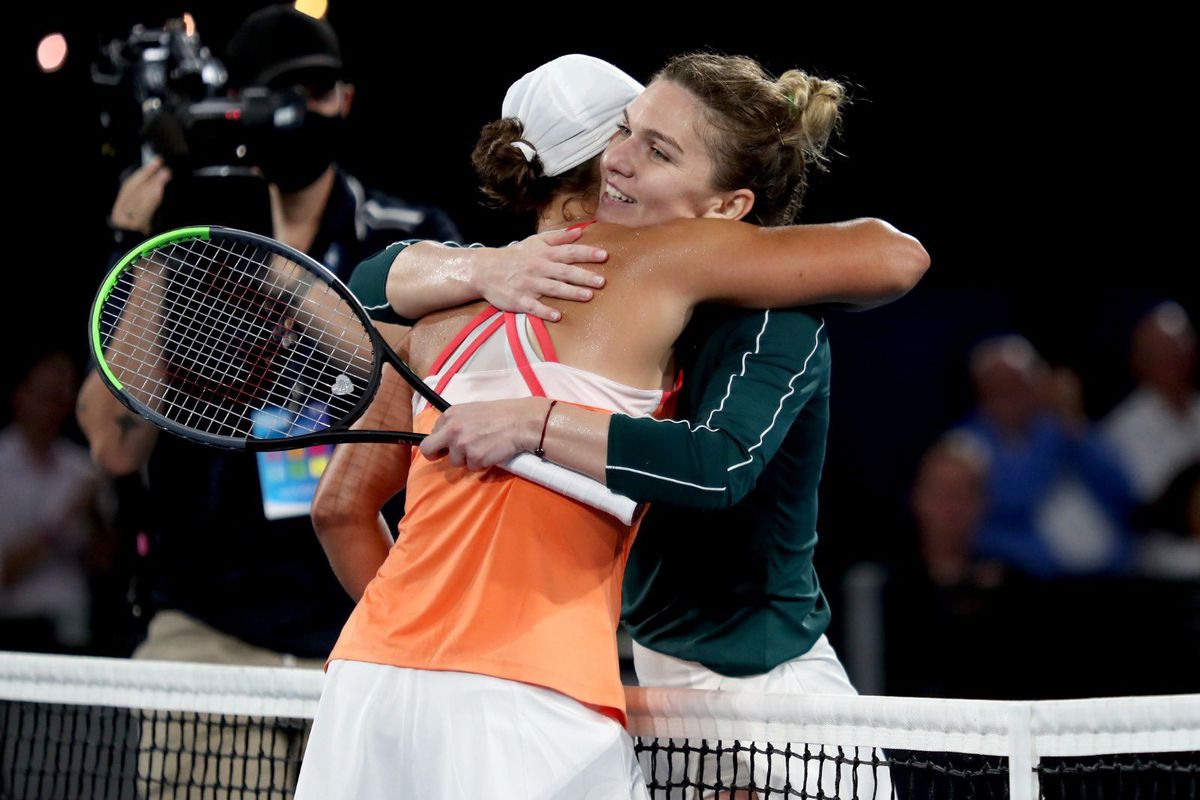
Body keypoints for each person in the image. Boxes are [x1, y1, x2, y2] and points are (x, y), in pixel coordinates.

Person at [302, 54, 926, 798]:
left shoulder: (447, 308)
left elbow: (717, 465)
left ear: (728, 207)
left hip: (752, 684)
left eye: (655, 149)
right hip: (567, 685)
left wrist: (530, 417)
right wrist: (487, 272)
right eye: (622, 132)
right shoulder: (528, 277)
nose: (618, 160)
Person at [75, 6, 460, 798]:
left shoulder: (408, 238)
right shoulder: (180, 245)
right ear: (234, 106)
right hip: (209, 633)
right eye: (275, 94)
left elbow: (437, 387)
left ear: (345, 99)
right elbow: (114, 446)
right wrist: (146, 252)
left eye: (315, 91)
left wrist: (279, 269)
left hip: (370, 627)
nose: (297, 112)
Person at [1102, 301, 1200, 504]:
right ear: (1139, 362)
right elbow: (1149, 498)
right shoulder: (1121, 429)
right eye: (1162, 353)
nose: (1175, 361)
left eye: (1180, 350)